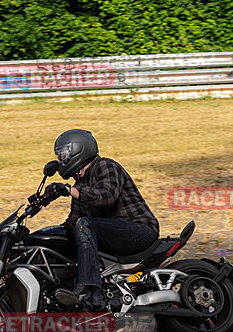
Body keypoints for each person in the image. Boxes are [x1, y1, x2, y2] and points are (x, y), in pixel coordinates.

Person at [45, 128, 159, 310]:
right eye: (59, 156)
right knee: (70, 233)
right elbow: (72, 224)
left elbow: (107, 195)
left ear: (78, 150)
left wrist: (70, 191)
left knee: (85, 224)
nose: (61, 160)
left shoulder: (106, 166)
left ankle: (90, 290)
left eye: (63, 154)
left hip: (140, 230)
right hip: (114, 235)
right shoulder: (80, 184)